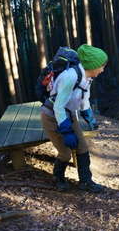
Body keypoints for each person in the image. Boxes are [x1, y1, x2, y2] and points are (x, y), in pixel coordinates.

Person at [40, 44, 107, 192]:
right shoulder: (70, 77)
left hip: (69, 114)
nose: (103, 70)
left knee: (82, 147)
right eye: (101, 66)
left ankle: (86, 182)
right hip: (51, 116)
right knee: (65, 153)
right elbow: (58, 106)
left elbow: (83, 96)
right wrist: (66, 131)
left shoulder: (87, 77)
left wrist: (88, 115)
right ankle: (58, 178)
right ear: (93, 65)